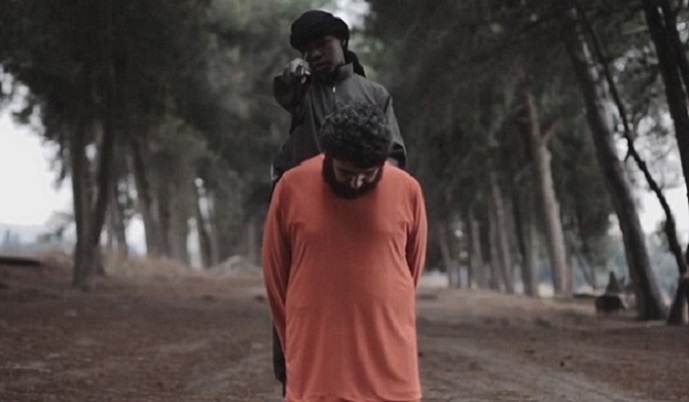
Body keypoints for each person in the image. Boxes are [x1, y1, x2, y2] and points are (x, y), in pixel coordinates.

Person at [269, 9, 408, 393]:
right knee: (298, 304)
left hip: (361, 220)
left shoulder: (374, 95)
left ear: (342, 42)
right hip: (306, 221)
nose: (315, 54)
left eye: (322, 44)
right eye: (307, 49)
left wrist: (367, 187)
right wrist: (290, 75)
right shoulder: (301, 93)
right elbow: (282, 91)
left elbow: (394, 156)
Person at [262, 102, 427, 401]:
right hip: (317, 361)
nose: (357, 180)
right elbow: (276, 276)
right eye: (346, 171)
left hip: (391, 360)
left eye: (369, 173)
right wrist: (296, 344)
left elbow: (411, 269)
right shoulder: (291, 187)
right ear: (328, 156)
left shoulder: (407, 189)